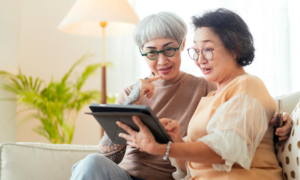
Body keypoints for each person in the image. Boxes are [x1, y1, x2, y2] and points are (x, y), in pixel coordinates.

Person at [71, 11, 292, 180]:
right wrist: (130, 104)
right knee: (90, 164)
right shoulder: (131, 93)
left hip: (172, 177)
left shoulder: (207, 88)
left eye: (169, 49)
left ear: (182, 46)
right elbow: (106, 158)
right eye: (151, 52)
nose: (161, 61)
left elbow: (246, 110)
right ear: (142, 52)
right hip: (128, 176)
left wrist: (280, 119)